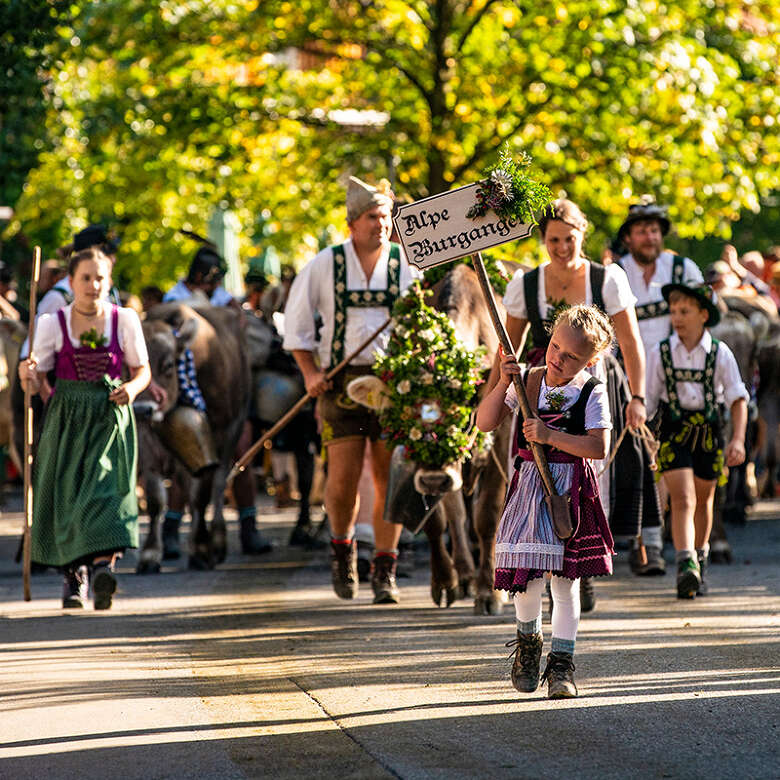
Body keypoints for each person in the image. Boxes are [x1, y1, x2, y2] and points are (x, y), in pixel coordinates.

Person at [496, 198, 647, 608]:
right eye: (553, 239)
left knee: (591, 474)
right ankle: (536, 554)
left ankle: (583, 556)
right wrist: (495, 389)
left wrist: (638, 396)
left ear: (583, 233)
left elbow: (630, 342)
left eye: (570, 238)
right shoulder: (526, 283)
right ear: (544, 239)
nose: (562, 247)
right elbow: (506, 346)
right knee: (535, 467)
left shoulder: (607, 278)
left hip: (593, 384)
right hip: (538, 386)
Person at [283, 175, 419, 604]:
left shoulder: (405, 266)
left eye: (385, 216)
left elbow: (420, 330)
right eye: (371, 217)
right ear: (352, 223)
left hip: (392, 384)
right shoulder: (325, 264)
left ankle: (385, 570)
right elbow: (297, 329)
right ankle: (342, 551)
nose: (381, 224)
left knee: (388, 479)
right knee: (340, 481)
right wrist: (310, 374)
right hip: (339, 383)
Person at [477, 304, 615, 699]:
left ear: (591, 359)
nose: (558, 358)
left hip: (566, 492)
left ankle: (562, 666)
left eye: (571, 356)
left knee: (565, 584)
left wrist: (550, 436)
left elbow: (598, 446)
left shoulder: (590, 390)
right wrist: (503, 383)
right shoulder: (530, 381)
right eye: (555, 346)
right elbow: (485, 422)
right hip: (529, 487)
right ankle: (529, 644)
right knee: (529, 579)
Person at [18, 247, 151, 609]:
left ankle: (104, 568)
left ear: (109, 281)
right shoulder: (52, 324)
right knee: (69, 495)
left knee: (108, 492)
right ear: (72, 282)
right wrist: (27, 376)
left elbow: (142, 370)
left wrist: (133, 389)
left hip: (109, 417)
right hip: (66, 420)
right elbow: (35, 374)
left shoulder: (124, 319)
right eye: (86, 278)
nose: (94, 285)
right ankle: (74, 579)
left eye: (100, 278)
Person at [614, 197, 704, 571]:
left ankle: (659, 540)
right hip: (629, 377)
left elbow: (705, 318)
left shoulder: (683, 269)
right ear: (629, 237)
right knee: (635, 457)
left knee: (668, 457)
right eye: (641, 230)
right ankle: (643, 539)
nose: (649, 236)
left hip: (675, 378)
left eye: (654, 229)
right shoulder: (616, 272)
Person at [646, 283, 748, 599]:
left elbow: (738, 398)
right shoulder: (659, 353)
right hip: (674, 433)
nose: (677, 317)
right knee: (683, 499)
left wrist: (738, 440)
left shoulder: (720, 353)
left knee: (704, 500)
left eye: (685, 311)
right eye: (674, 311)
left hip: (709, 434)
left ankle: (698, 561)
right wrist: (647, 440)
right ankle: (685, 563)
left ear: (704, 315)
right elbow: (649, 403)